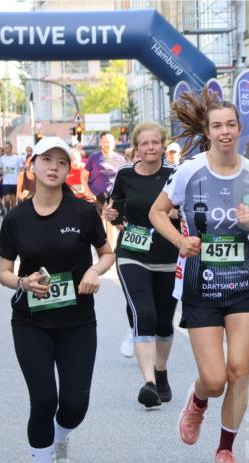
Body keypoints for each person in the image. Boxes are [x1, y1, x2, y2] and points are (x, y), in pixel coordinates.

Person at [149, 89, 249, 463]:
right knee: (215, 379)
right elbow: (157, 212)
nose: (224, 132)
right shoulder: (190, 171)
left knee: (240, 371)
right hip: (200, 286)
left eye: (230, 125)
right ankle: (198, 399)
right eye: (217, 126)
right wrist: (180, 241)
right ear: (208, 132)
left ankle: (225, 452)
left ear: (239, 129)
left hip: (242, 286)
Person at [0, 136, 115, 463]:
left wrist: (94, 271)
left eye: (61, 162)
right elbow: (4, 273)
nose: (53, 167)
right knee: (44, 398)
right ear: (32, 166)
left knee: (75, 405)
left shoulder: (81, 212)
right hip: (31, 321)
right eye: (46, 160)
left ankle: (61, 435)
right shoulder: (16, 218)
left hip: (78, 322)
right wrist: (22, 282)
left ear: (68, 170)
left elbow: (107, 253)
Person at [101, 122, 180, 408]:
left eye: (155, 142)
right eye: (144, 143)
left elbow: (190, 210)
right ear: (136, 147)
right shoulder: (125, 174)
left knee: (163, 321)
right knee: (144, 313)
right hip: (132, 253)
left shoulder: (176, 174)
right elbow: (115, 207)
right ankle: (149, 384)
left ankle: (161, 371)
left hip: (169, 256)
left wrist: (177, 213)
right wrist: (111, 214)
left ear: (163, 144)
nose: (150, 148)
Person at [0, 142, 24, 213]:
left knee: (13, 201)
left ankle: (11, 214)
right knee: (7, 200)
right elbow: (0, 168)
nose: (5, 149)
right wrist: (2, 172)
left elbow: (21, 168)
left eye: (6, 148)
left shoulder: (17, 158)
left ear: (11, 148)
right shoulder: (2, 158)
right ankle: (8, 209)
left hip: (15, 182)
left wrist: (20, 176)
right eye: (4, 148)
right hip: (6, 182)